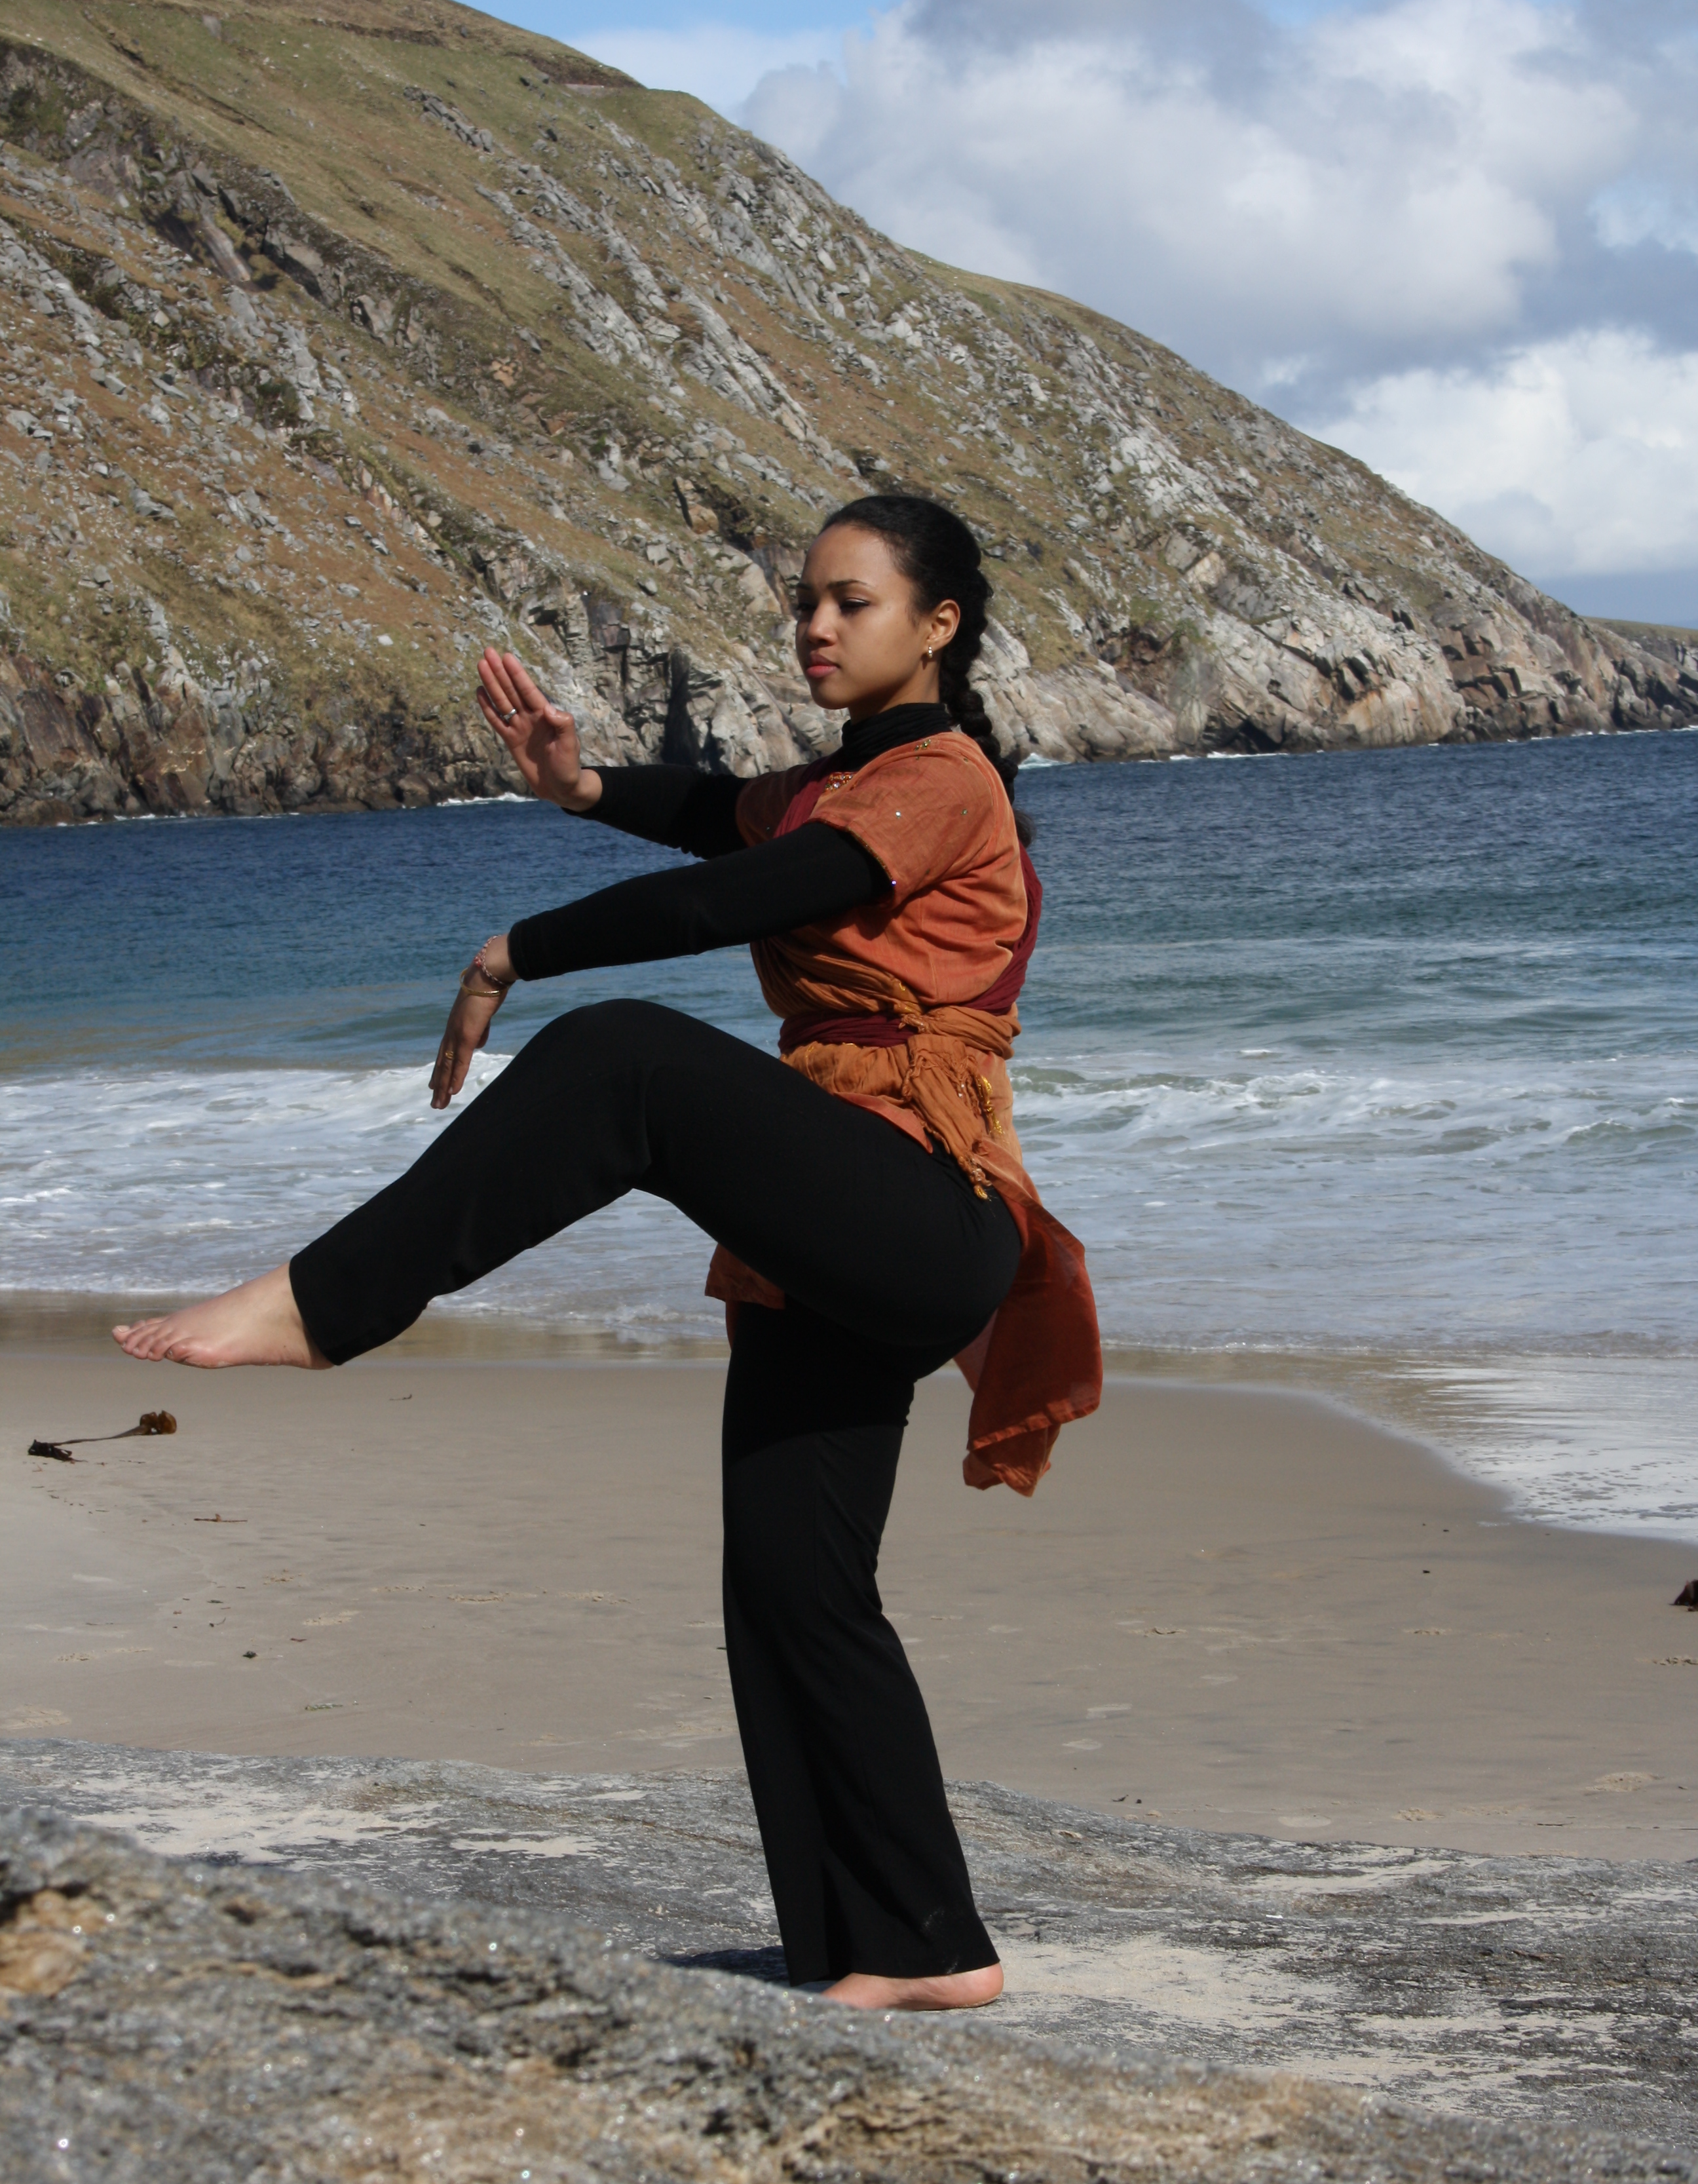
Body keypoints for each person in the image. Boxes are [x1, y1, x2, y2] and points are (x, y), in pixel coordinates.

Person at [115, 494, 1102, 2012]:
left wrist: (519, 945)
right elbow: (720, 815)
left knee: (625, 1058)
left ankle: (325, 1304)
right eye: (805, 600)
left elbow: (746, 889)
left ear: (939, 624)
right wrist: (579, 787)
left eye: (850, 602)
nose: (815, 626)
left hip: (921, 1202)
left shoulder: (940, 779)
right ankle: (915, 1947)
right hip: (833, 1213)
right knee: (790, 1586)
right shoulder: (846, 782)